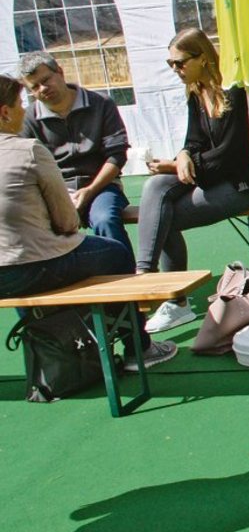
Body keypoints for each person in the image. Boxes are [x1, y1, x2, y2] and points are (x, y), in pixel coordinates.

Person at [0, 76, 176, 369]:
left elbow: (115, 155)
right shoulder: (28, 150)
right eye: (20, 103)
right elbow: (67, 222)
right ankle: (138, 348)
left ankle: (56, 354)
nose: (24, 109)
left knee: (102, 221)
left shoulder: (98, 104)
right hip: (31, 265)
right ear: (5, 112)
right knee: (115, 253)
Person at [136, 29, 249, 333]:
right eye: (170, 63)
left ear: (202, 58)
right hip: (215, 177)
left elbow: (229, 153)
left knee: (167, 216)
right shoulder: (195, 91)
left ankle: (174, 302)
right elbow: (195, 139)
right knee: (155, 186)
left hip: (244, 183)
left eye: (179, 63)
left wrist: (182, 163)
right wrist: (184, 153)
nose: (175, 69)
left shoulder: (236, 90)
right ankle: (145, 276)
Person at [19, 52, 133, 256]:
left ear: (60, 72)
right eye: (34, 87)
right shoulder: (29, 118)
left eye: (46, 80)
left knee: (105, 219)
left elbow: (117, 155)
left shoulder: (102, 103)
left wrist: (89, 190)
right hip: (54, 191)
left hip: (101, 187)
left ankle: (127, 278)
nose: (42, 89)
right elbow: (25, 164)